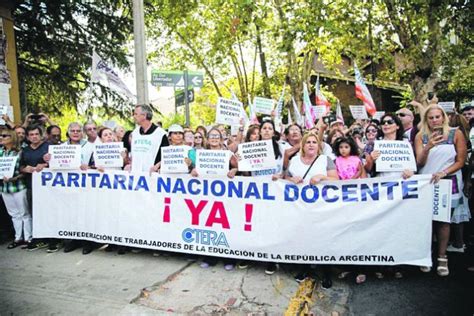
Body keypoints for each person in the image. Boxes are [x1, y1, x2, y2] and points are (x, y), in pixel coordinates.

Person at [415, 105, 468, 276]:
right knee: (426, 220)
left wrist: (444, 172)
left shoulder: (455, 134)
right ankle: (426, 254)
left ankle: (442, 256)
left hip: (448, 181)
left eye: (438, 117)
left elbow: (461, 160)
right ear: (426, 120)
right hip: (427, 183)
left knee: (444, 221)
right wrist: (428, 146)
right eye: (431, 118)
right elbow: (419, 162)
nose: (434, 120)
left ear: (443, 117)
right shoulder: (420, 136)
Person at [285, 132, 338, 288]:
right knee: (303, 237)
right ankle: (305, 268)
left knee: (323, 239)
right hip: (300, 208)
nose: (311, 145)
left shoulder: (325, 160)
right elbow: (285, 178)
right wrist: (291, 179)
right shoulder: (294, 161)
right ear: (302, 145)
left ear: (318, 145)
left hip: (322, 208)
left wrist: (322, 177)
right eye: (307, 142)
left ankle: (326, 272)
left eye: (314, 142)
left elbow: (337, 180)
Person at [368, 113, 414, 279]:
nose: (386, 125)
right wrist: (371, 159)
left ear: (397, 125)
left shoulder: (405, 144)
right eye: (383, 122)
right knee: (383, 225)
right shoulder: (375, 145)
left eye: (389, 122)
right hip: (382, 189)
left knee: (398, 226)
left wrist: (411, 172)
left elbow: (412, 167)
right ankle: (381, 263)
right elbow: (367, 169)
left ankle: (397, 263)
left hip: (401, 190)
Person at [191, 127, 237, 271]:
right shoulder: (202, 154)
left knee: (226, 226)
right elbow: (196, 170)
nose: (214, 138)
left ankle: (229, 259)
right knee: (209, 226)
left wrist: (234, 170)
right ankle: (210, 258)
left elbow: (240, 167)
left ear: (221, 138)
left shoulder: (228, 153)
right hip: (207, 195)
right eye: (212, 136)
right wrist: (194, 171)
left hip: (226, 195)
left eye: (217, 136)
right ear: (207, 138)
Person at [19, 124, 49, 251]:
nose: (34, 137)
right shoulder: (25, 151)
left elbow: (58, 163)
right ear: (27, 137)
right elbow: (20, 167)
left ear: (41, 135)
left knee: (48, 212)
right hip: (31, 186)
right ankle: (39, 238)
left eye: (36, 134)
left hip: (48, 187)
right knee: (34, 212)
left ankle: (51, 238)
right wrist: (26, 169)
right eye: (31, 135)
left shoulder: (48, 147)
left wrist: (45, 164)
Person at [1, 128, 31, 249]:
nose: (1, 138)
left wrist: (15, 178)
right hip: (5, 188)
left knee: (24, 213)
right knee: (14, 214)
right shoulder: (1, 152)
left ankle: (29, 238)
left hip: (18, 186)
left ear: (12, 138)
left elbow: (25, 170)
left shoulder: (20, 152)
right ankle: (18, 238)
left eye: (4, 136)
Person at [127, 104, 169, 172]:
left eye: (135, 114)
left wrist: (158, 166)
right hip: (136, 175)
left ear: (144, 115)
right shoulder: (134, 133)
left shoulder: (161, 134)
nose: (134, 116)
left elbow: (167, 157)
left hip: (153, 175)